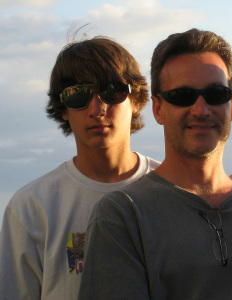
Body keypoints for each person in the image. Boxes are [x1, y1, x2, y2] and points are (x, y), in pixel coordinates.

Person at [78, 28, 232, 300]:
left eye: (216, 94)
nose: (201, 109)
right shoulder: (123, 215)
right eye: (183, 96)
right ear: (158, 108)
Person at [0, 36, 161, 300]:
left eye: (113, 91)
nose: (98, 109)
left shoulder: (176, 192)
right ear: (63, 109)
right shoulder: (31, 207)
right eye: (78, 95)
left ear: (136, 100)